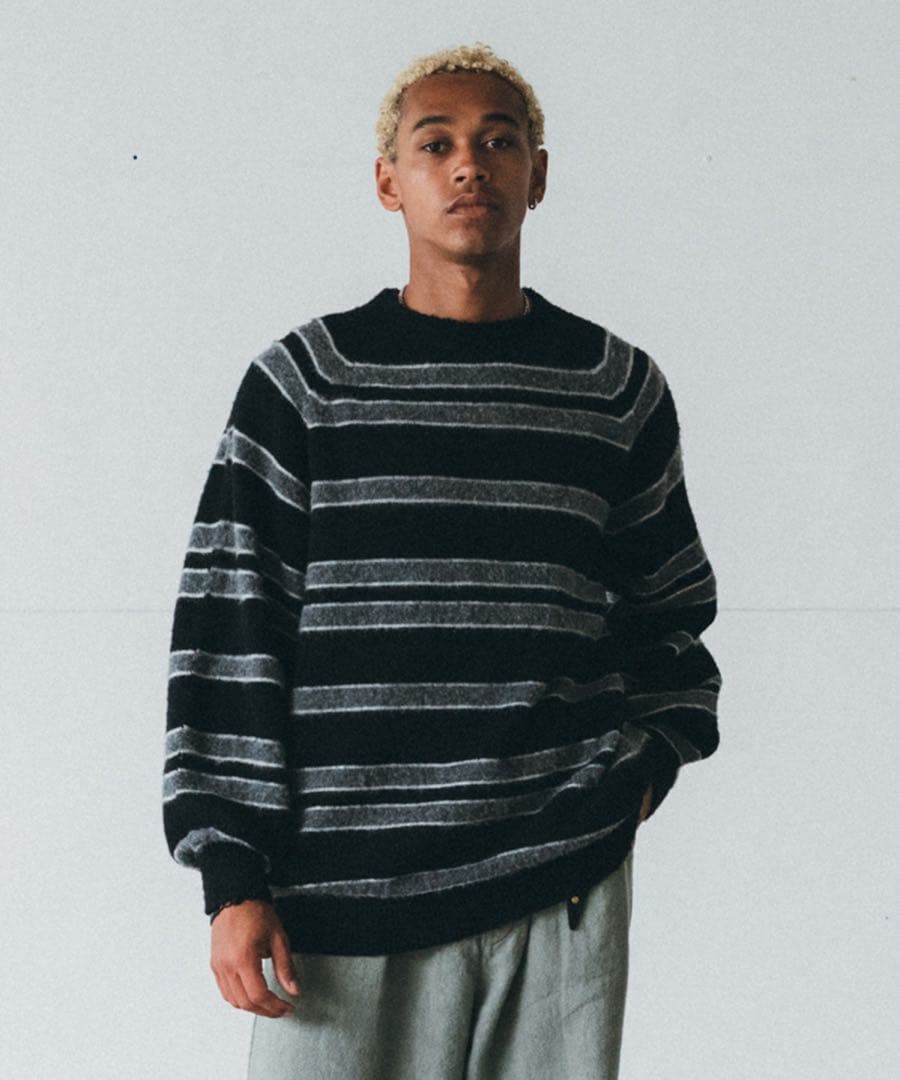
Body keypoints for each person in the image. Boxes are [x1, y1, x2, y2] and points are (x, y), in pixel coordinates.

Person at [163, 41, 722, 1080]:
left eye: (500, 142)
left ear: (537, 177)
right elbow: (231, 623)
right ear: (390, 182)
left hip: (557, 883)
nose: (471, 165)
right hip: (336, 897)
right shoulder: (307, 384)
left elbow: (673, 615)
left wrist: (635, 776)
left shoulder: (613, 389)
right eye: (437, 144)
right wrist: (230, 874)